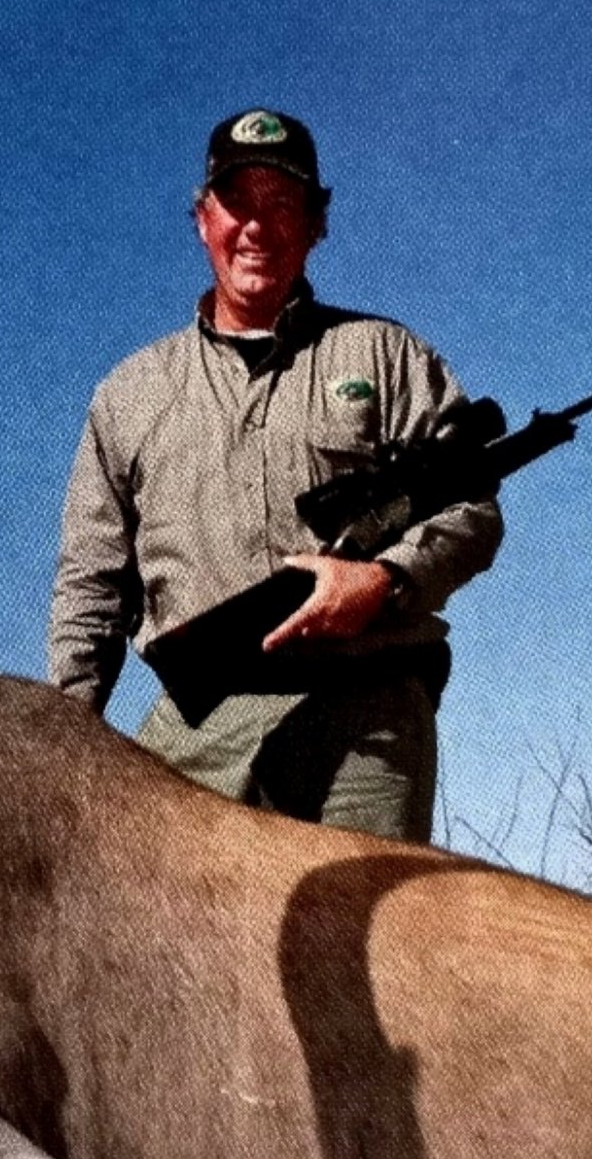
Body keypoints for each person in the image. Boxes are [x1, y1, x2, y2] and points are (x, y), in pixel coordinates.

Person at [47, 108, 504, 843]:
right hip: (201, 725)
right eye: (236, 203)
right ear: (203, 220)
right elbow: (92, 589)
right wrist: (62, 741)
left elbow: (472, 510)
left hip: (368, 712)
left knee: (368, 946)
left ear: (316, 223)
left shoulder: (384, 355)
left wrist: (385, 583)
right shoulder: (128, 394)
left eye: (281, 203)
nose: (256, 226)